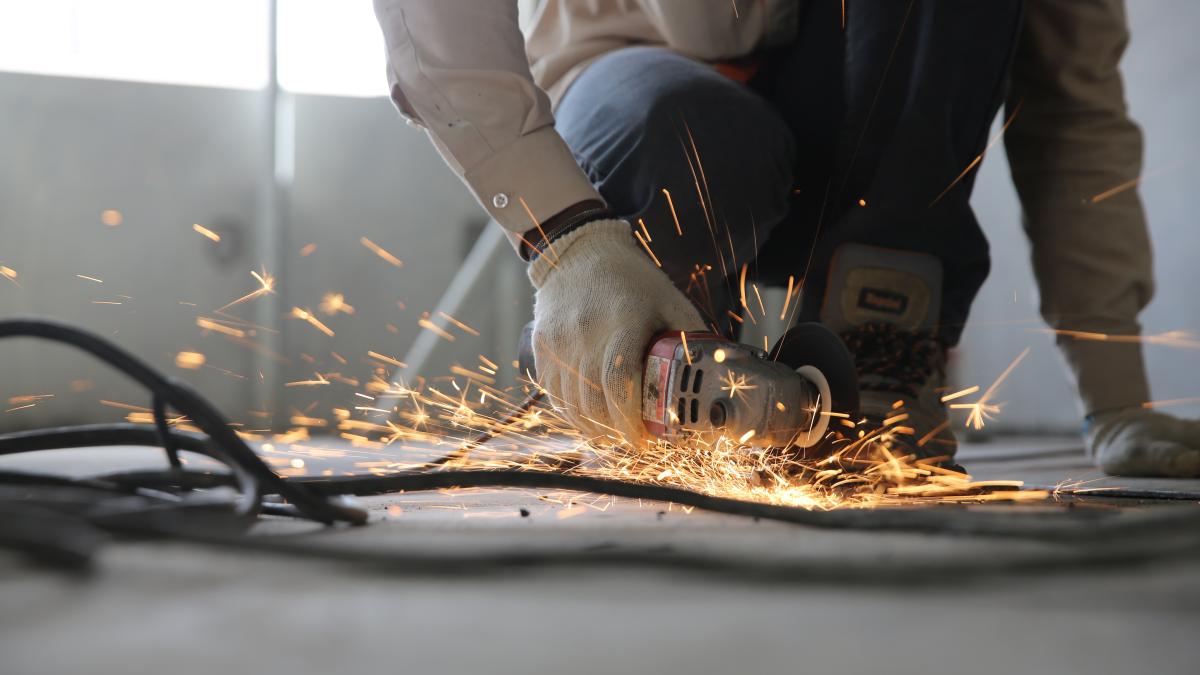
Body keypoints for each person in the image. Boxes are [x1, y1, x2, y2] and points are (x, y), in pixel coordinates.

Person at [372, 0, 1200, 477]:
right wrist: (567, 241)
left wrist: (1117, 392)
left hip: (881, 152)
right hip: (644, 95)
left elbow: (1073, 109)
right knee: (675, 128)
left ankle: (879, 346)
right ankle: (654, 358)